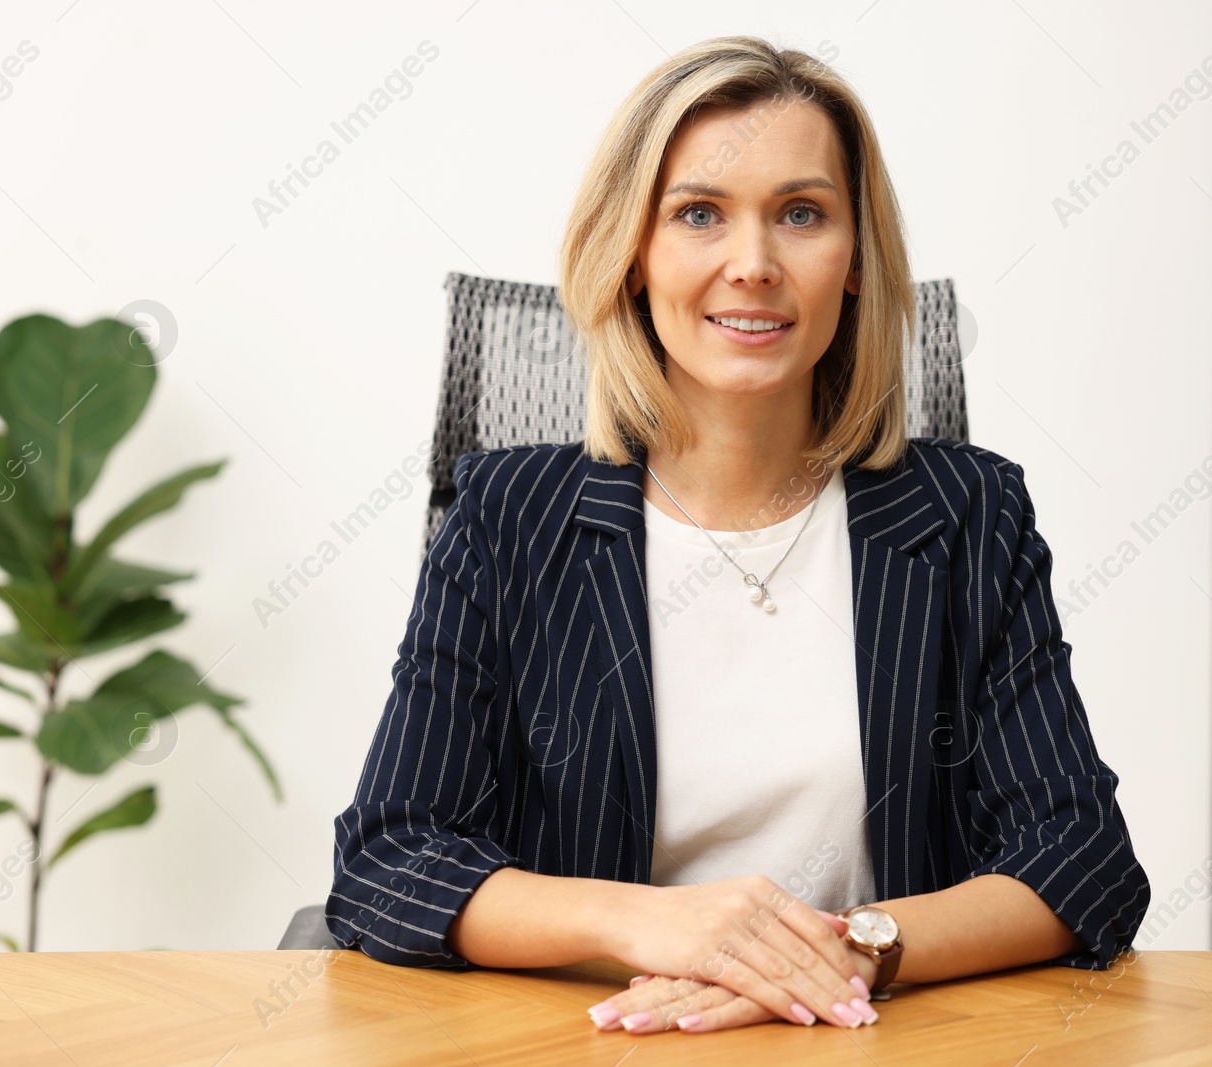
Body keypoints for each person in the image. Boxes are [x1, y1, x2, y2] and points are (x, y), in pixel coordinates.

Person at [328, 34, 1149, 1036]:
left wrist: (850, 949)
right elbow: (389, 854)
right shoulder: (508, 516)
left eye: (801, 214)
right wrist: (656, 925)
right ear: (634, 254)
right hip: (586, 1040)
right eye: (699, 214)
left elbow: (1080, 854)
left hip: (868, 1040)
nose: (753, 264)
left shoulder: (968, 514)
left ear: (854, 261)